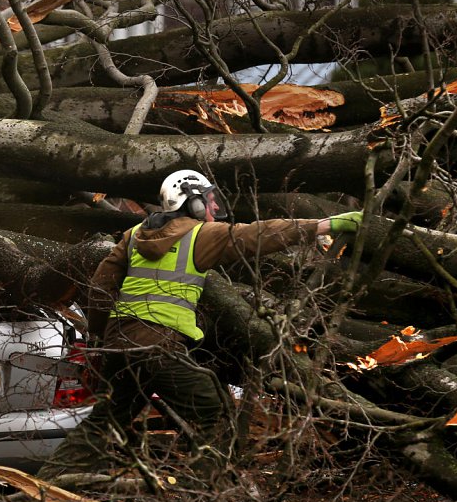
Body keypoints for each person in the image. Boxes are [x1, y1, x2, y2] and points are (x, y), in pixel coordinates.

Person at [37, 169, 361, 482]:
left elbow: (99, 290)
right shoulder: (201, 235)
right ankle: (204, 494)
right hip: (159, 346)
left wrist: (101, 341)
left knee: (107, 420)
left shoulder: (133, 237)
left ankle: (48, 484)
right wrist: (326, 225)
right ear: (192, 203)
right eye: (209, 199)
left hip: (121, 345)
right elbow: (261, 234)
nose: (215, 206)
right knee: (215, 413)